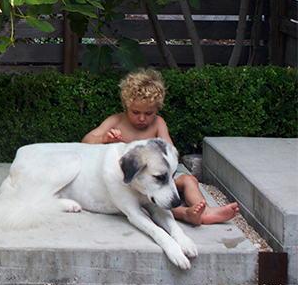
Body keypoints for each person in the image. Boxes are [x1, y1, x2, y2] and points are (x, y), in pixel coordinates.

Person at [82, 67, 239, 227]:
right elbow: (86, 141)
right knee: (151, 202)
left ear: (158, 109)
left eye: (149, 113)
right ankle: (185, 213)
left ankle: (205, 212)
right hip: (130, 179)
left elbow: (170, 149)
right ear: (126, 105)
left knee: (189, 179)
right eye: (136, 112)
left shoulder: (158, 123)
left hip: (161, 176)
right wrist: (104, 138)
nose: (142, 118)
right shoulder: (116, 121)